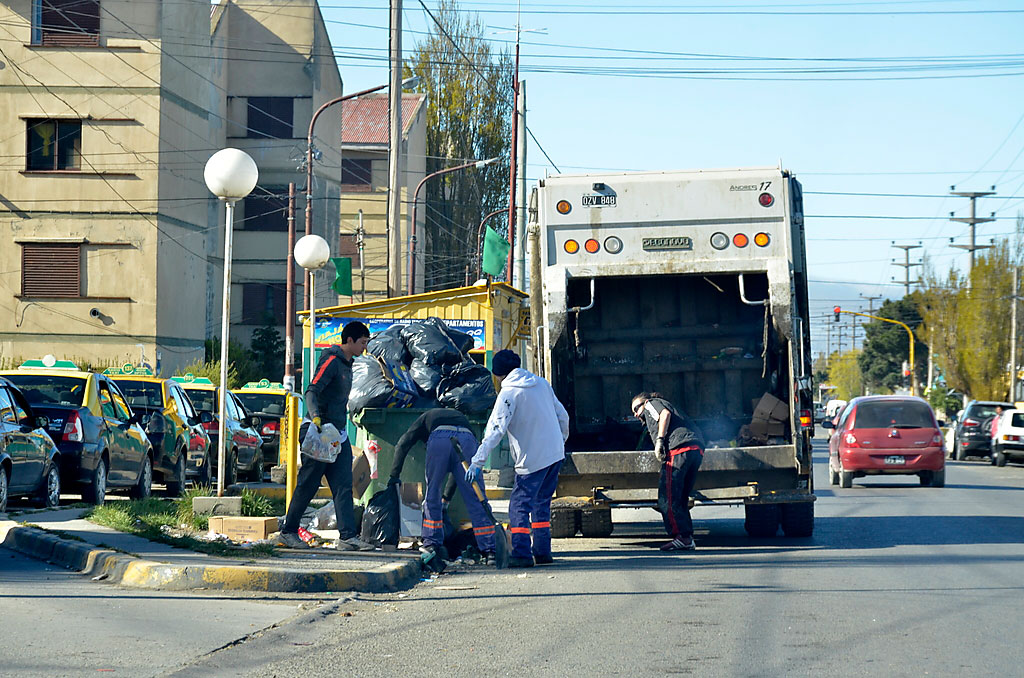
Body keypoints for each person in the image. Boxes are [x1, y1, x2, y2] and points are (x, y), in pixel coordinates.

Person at [276, 321, 374, 551]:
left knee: (343, 485)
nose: (364, 348)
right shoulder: (331, 360)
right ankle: (289, 531)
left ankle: (348, 537)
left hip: (337, 435)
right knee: (308, 484)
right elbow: (312, 391)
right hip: (319, 433)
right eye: (362, 342)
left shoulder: (349, 365)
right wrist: (316, 417)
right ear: (349, 341)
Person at [468, 349, 569, 568]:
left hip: (532, 458)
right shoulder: (542, 384)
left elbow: (495, 429)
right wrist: (559, 442)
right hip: (555, 455)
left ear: (497, 374)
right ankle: (542, 552)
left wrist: (477, 461)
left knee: (519, 505)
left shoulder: (509, 393)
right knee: (542, 503)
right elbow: (563, 416)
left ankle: (522, 553)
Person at [388, 407, 498, 567]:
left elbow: (403, 443)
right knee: (476, 497)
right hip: (467, 440)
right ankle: (490, 551)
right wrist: (446, 498)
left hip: (439, 440)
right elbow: (460, 469)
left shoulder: (425, 417)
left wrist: (394, 476)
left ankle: (432, 544)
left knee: (432, 493)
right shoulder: (460, 417)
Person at [631, 392, 705, 552]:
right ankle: (687, 537)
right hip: (695, 448)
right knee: (680, 496)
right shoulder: (667, 406)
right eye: (634, 413)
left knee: (667, 497)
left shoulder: (651, 403)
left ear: (644, 402)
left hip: (679, 448)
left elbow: (665, 414)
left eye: (636, 409)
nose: (637, 414)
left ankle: (682, 537)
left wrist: (660, 440)